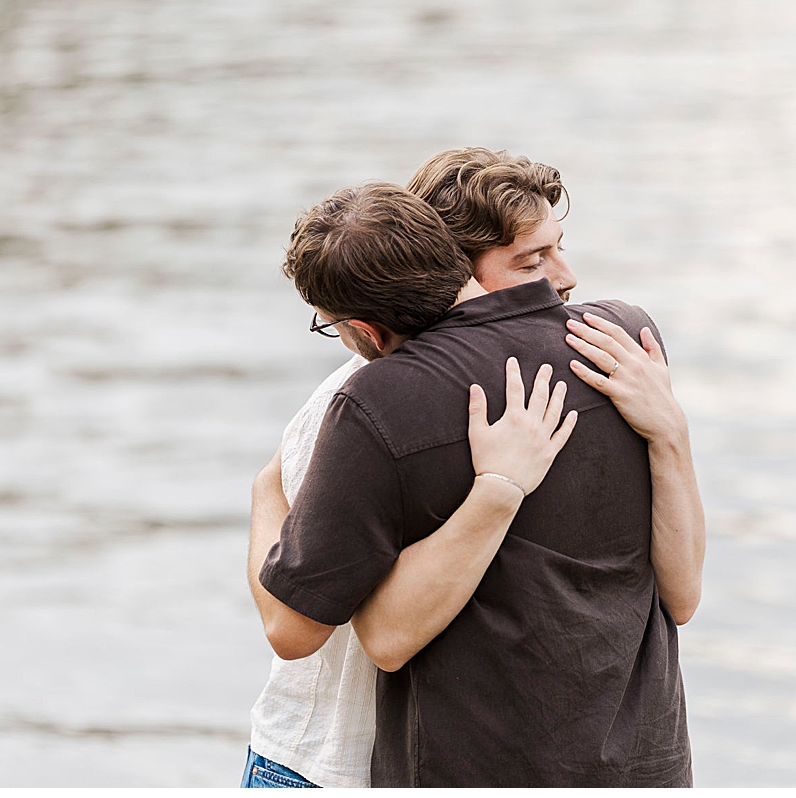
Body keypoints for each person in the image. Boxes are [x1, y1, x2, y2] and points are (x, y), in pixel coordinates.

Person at [242, 152, 702, 787]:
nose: (561, 280)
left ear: (362, 326)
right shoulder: (621, 341)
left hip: (410, 763)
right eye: (530, 261)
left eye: (554, 250)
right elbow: (684, 598)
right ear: (451, 262)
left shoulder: (373, 400)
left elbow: (345, 632)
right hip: (644, 765)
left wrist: (267, 485)